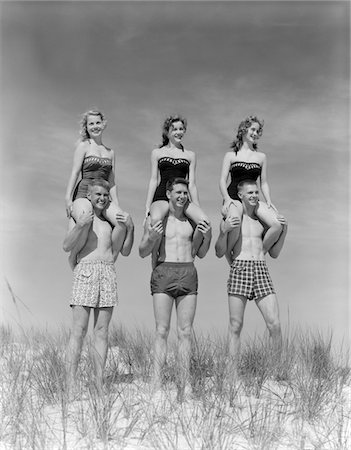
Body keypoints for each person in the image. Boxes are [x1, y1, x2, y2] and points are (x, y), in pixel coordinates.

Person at [139, 178, 211, 399]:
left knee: (185, 332)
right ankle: (156, 380)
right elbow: (142, 251)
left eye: (185, 193)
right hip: (164, 271)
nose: (182, 196)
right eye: (178, 192)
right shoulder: (158, 220)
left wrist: (206, 235)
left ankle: (184, 381)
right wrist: (152, 236)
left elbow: (201, 252)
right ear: (168, 194)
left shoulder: (190, 222)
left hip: (188, 272)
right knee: (162, 330)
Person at [63, 178, 134, 396]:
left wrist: (130, 228)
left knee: (102, 332)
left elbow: (124, 251)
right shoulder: (82, 217)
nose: (102, 198)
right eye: (97, 195)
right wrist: (82, 224)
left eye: (105, 195)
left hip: (107, 272)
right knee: (79, 331)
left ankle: (97, 382)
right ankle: (70, 383)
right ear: (89, 197)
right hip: (86, 270)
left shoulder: (110, 223)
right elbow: (66, 246)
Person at [215, 179, 288, 377]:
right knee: (236, 325)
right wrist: (223, 231)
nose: (255, 196)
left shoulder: (262, 222)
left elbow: (274, 253)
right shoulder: (233, 219)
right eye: (251, 193)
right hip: (240, 268)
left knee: (275, 324)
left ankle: (276, 371)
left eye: (257, 192)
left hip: (261, 269)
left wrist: (284, 230)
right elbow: (220, 251)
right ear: (240, 196)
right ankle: (231, 373)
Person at [65, 109, 128, 269]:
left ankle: (110, 258)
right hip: (84, 192)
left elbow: (112, 181)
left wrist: (117, 204)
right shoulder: (83, 146)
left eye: (97, 123)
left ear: (103, 124)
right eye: (91, 123)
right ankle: (74, 255)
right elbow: (75, 172)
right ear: (86, 127)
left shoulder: (110, 152)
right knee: (87, 218)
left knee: (123, 222)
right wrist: (67, 198)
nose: (95, 126)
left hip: (103, 195)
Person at [145, 115, 209, 261]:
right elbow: (154, 180)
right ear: (167, 132)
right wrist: (147, 206)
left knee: (204, 221)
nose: (178, 132)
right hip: (162, 195)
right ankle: (156, 260)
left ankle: (191, 254)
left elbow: (192, 184)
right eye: (174, 129)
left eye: (181, 129)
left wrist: (197, 205)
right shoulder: (157, 153)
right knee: (155, 221)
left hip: (182, 196)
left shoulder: (190, 155)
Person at [219, 115, 282, 261]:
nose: (255, 133)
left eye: (258, 131)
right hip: (234, 196)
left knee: (277, 224)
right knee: (235, 221)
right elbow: (222, 180)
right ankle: (231, 260)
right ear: (243, 130)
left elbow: (264, 183)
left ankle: (260, 253)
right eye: (253, 130)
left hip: (253, 198)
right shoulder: (230, 156)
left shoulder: (261, 157)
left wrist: (269, 201)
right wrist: (227, 200)